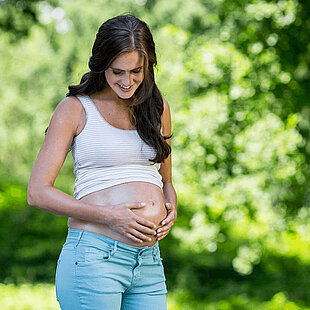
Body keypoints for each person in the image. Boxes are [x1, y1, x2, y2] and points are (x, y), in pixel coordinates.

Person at [27, 13, 177, 310]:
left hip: (148, 263)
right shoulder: (75, 109)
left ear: (149, 65)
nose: (127, 81)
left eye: (136, 71)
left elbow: (166, 180)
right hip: (95, 258)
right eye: (117, 71)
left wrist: (171, 210)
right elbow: (37, 192)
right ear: (101, 65)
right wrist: (110, 215)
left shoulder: (157, 107)